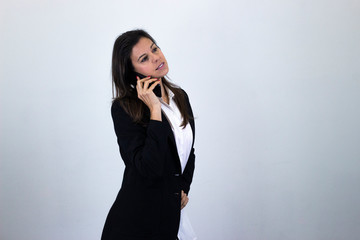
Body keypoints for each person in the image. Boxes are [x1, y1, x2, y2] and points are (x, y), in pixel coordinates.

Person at [101, 29, 196, 240]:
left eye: (155, 49)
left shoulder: (179, 96)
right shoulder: (124, 108)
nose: (156, 58)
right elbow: (148, 167)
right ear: (132, 72)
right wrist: (154, 110)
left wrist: (182, 187)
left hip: (170, 214)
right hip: (137, 222)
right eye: (144, 58)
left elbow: (187, 150)